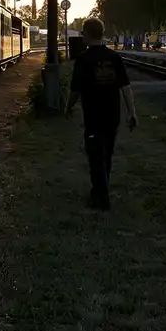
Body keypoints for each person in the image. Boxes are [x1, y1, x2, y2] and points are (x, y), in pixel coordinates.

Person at [65, 17, 137, 211]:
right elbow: (125, 87)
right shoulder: (115, 57)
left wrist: (68, 108)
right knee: (106, 155)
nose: (82, 37)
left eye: (83, 33)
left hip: (93, 116)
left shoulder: (83, 59)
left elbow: (75, 90)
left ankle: (101, 197)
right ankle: (100, 190)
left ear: (88, 34)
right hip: (113, 115)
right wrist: (132, 113)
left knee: (95, 156)